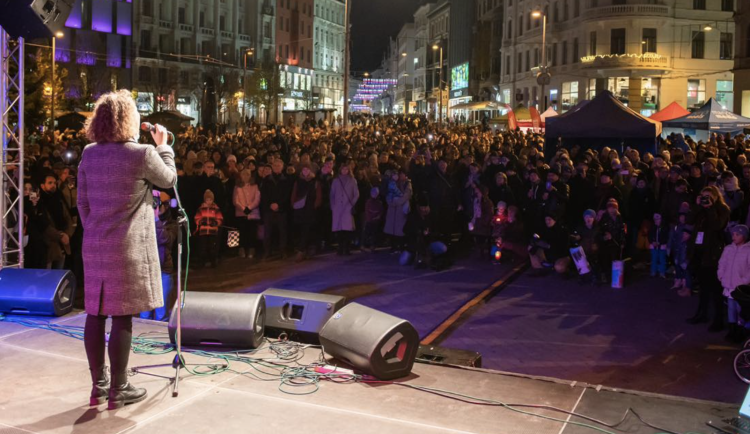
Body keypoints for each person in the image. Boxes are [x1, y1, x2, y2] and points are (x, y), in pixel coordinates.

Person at [77, 90, 177, 410]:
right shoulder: (142, 153)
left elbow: (82, 202)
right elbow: (169, 179)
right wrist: (163, 146)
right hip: (127, 247)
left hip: (94, 244)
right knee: (121, 315)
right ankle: (119, 387)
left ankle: (99, 386)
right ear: (129, 119)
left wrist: (95, 228)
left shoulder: (89, 153)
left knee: (96, 312)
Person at [687, 186, 730, 332]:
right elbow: (689, 220)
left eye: (708, 196)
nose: (705, 199)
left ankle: (718, 320)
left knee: (715, 288)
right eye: (703, 196)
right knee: (703, 287)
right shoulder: (701, 209)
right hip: (699, 252)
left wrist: (710, 208)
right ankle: (702, 314)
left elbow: (717, 226)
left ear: (715, 196)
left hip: (712, 254)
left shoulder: (723, 209)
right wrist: (697, 206)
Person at [718, 225, 750, 342]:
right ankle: (732, 329)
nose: (734, 237)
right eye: (733, 234)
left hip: (740, 287)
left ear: (744, 236)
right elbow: (722, 263)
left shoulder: (748, 250)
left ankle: (741, 329)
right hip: (729, 284)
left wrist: (745, 280)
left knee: (740, 308)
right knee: (730, 307)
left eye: (737, 234)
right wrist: (721, 275)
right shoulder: (728, 249)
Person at [291, 163, 323, 261]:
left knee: (307, 229)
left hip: (310, 209)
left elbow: (318, 196)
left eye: (307, 169)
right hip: (300, 209)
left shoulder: (315, 182)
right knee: (302, 229)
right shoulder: (298, 182)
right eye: (303, 170)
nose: (305, 171)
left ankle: (302, 250)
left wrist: (315, 206)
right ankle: (304, 249)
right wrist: (293, 204)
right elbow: (294, 194)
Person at [330, 162, 359, 255]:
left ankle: (347, 248)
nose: (344, 171)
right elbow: (332, 194)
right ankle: (340, 248)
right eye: (343, 169)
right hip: (337, 208)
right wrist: (333, 206)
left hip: (347, 207)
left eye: (346, 169)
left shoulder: (352, 180)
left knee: (347, 229)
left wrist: (351, 204)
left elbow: (356, 194)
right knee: (339, 229)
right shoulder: (336, 180)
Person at [233, 169, 261, 259]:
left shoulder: (255, 186)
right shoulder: (237, 187)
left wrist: (249, 208)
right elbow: (235, 200)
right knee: (242, 232)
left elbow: (257, 198)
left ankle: (251, 249)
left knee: (252, 232)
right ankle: (242, 249)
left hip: (253, 213)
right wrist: (243, 208)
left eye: (248, 174)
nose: (246, 176)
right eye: (244, 174)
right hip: (241, 213)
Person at [649, 213, 669, 278]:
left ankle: (662, 272)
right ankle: (653, 271)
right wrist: (652, 241)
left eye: (658, 219)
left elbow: (666, 237)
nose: (656, 221)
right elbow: (649, 236)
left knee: (662, 259)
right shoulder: (652, 227)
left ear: (661, 220)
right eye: (655, 219)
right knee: (654, 259)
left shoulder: (665, 228)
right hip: (654, 246)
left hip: (662, 246)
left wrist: (660, 243)